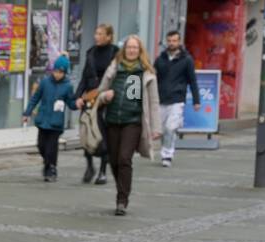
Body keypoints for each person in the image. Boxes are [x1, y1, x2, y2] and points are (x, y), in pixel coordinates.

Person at [97, 35, 160, 216]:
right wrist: (104, 96)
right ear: (124, 50)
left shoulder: (145, 72)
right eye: (129, 47)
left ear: (140, 51)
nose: (132, 50)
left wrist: (156, 128)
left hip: (132, 122)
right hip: (113, 121)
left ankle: (122, 199)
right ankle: (121, 189)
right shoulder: (115, 69)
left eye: (135, 48)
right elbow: (100, 94)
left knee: (125, 158)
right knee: (115, 160)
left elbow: (153, 102)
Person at [22, 55, 77, 182]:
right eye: (56, 71)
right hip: (43, 120)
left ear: (65, 73)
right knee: (41, 145)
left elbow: (71, 103)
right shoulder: (45, 82)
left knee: (51, 148)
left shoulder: (68, 86)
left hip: (56, 123)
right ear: (53, 70)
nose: (58, 74)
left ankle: (52, 168)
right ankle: (47, 164)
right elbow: (35, 98)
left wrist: (77, 104)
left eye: (61, 72)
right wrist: (27, 113)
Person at [77, 24, 118, 184]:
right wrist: (78, 96)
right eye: (96, 33)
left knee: (102, 134)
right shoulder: (90, 52)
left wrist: (112, 93)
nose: (96, 36)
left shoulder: (115, 53)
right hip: (89, 96)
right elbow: (84, 76)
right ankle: (89, 166)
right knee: (86, 130)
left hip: (105, 98)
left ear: (109, 36)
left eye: (100, 34)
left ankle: (102, 171)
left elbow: (118, 77)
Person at [154, 28, 200, 167]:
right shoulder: (160, 59)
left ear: (179, 42)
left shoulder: (186, 60)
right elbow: (153, 77)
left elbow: (192, 80)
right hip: (161, 98)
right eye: (169, 41)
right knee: (162, 130)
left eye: (174, 41)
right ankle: (166, 150)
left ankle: (167, 155)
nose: (171, 43)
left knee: (170, 128)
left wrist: (196, 101)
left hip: (177, 99)